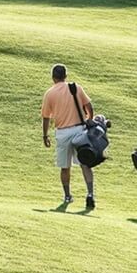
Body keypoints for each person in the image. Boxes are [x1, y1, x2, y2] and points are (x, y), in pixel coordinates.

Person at [41, 64, 96, 208]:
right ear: (65, 76)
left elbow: (46, 117)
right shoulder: (75, 87)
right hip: (79, 130)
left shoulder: (50, 93)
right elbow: (89, 106)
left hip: (63, 132)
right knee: (85, 163)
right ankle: (90, 194)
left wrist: (45, 135)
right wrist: (89, 119)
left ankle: (67, 196)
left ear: (53, 77)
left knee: (65, 167)